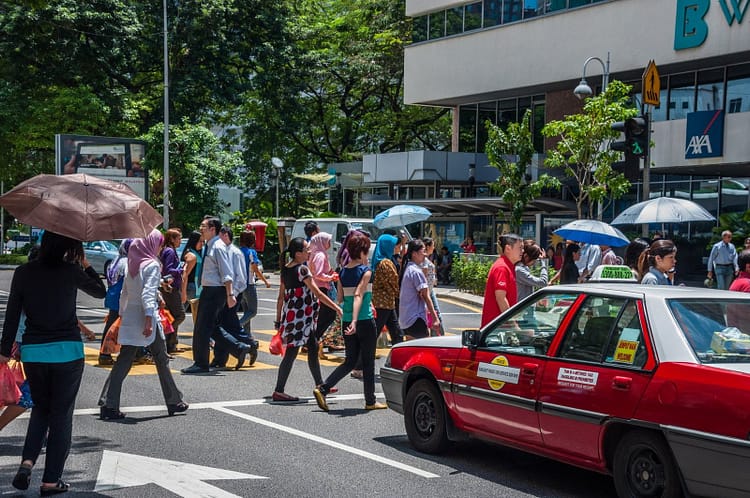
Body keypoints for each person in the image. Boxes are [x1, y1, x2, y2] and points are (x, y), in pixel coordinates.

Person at [1, 231, 106, 495]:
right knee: (61, 415)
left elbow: (12, 315)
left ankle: (27, 462)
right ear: (70, 247)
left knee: (41, 409)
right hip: (67, 353)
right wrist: (85, 263)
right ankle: (50, 480)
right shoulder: (71, 271)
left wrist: (3, 351)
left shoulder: (24, 272)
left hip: (34, 352)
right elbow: (100, 291)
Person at [99, 230, 188, 420]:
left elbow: (125, 293)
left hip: (131, 315)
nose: (160, 247)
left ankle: (108, 401)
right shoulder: (152, 265)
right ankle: (173, 401)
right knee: (161, 358)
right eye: (158, 243)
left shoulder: (132, 265)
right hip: (145, 317)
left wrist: (123, 314)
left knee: (126, 358)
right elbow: (147, 294)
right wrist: (148, 319)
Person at [313, 232, 387, 411]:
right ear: (361, 252)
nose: (367, 254)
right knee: (368, 362)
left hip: (346, 320)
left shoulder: (343, 271)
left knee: (350, 361)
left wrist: (350, 318)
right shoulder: (366, 271)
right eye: (366, 251)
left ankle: (323, 388)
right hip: (363, 321)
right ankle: (370, 401)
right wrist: (356, 318)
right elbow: (358, 295)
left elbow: (339, 297)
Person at [272, 238, 342, 402]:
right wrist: (336, 307)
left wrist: (278, 320)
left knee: (312, 346)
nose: (309, 252)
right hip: (301, 318)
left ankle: (321, 385)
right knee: (292, 352)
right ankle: (279, 390)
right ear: (298, 254)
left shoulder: (286, 269)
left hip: (294, 317)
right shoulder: (302, 269)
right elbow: (317, 293)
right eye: (306, 250)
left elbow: (280, 297)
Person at [182, 217, 235, 374]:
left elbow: (226, 272)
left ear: (213, 229)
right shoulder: (209, 245)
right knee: (206, 327)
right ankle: (240, 348)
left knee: (202, 328)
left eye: (204, 227)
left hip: (214, 290)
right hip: (209, 289)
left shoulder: (217, 246)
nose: (201, 229)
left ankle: (201, 363)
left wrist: (230, 293)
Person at [211, 226, 254, 370]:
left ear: (225, 235)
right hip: (226, 293)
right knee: (225, 325)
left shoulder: (235, 252)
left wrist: (232, 295)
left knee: (226, 325)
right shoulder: (225, 251)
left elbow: (241, 278)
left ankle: (249, 345)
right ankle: (220, 358)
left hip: (233, 293)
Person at [99, 238, 132, 366]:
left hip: (112, 295)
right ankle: (107, 353)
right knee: (123, 326)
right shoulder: (127, 262)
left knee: (111, 325)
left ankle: (105, 353)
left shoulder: (115, 260)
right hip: (121, 296)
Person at [399, 240, 440, 339]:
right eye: (423, 251)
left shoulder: (408, 268)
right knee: (425, 349)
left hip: (406, 319)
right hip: (415, 318)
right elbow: (426, 296)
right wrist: (435, 318)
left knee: (411, 349)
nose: (425, 254)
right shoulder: (416, 271)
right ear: (414, 254)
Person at [481, 234, 523, 327]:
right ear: (508, 248)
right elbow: (501, 298)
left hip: (500, 328)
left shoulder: (509, 266)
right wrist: (514, 326)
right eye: (520, 248)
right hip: (496, 330)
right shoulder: (502, 267)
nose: (522, 251)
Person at [308, 232, 339, 355]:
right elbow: (319, 274)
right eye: (328, 241)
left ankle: (313, 340)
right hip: (321, 288)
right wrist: (331, 278)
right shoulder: (320, 255)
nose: (330, 244)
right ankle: (314, 339)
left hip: (319, 287)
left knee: (322, 316)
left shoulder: (316, 253)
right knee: (329, 314)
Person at [238, 230, 270, 348]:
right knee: (253, 311)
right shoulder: (251, 252)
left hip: (240, 285)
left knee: (247, 311)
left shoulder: (237, 251)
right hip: (249, 284)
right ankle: (236, 326)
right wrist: (265, 281)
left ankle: (247, 335)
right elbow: (255, 268)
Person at [371, 234, 403, 346]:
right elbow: (393, 282)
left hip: (385, 302)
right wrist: (400, 295)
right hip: (384, 303)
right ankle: (361, 360)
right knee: (375, 333)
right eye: (394, 245)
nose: (397, 247)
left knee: (396, 333)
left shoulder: (380, 260)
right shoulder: (386, 263)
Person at [160, 228, 186, 354]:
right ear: (172, 239)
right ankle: (166, 334)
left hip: (170, 287)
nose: (180, 241)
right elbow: (168, 269)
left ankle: (171, 344)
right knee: (180, 315)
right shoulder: (170, 251)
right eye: (179, 238)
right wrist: (181, 270)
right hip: (170, 288)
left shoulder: (168, 250)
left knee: (172, 315)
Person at [420, 237, 445, 336]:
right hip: (427, 292)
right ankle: (438, 336)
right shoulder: (424, 261)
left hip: (430, 291)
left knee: (435, 313)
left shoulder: (427, 259)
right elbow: (424, 278)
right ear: (427, 246)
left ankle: (438, 335)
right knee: (434, 314)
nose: (434, 248)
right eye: (433, 245)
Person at [180, 231, 203, 316]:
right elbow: (185, 274)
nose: (202, 244)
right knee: (180, 314)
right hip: (190, 287)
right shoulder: (191, 255)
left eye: (203, 241)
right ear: (194, 241)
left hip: (196, 287)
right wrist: (183, 292)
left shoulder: (195, 253)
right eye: (200, 241)